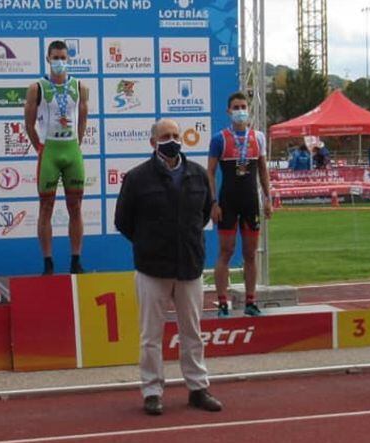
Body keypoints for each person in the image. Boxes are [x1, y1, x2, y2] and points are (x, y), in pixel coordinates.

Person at [114, 119, 222, 416]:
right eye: (165, 136)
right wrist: (151, 243)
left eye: (175, 135)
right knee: (150, 336)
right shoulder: (137, 179)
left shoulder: (198, 175)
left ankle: (198, 388)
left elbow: (202, 216)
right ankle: (152, 391)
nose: (171, 140)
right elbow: (124, 221)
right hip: (152, 268)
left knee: (193, 332)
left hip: (189, 266)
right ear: (153, 142)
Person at [25, 40, 90, 275]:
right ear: (48, 59)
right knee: (46, 207)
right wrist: (40, 148)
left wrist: (77, 144)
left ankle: (76, 260)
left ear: (69, 59)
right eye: (55, 58)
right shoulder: (37, 88)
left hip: (71, 150)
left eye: (63, 57)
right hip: (49, 151)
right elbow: (28, 124)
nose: (59, 62)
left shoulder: (80, 87)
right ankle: (48, 263)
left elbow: (83, 119)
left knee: (76, 207)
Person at [208, 92, 272, 317]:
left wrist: (268, 198)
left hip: (250, 203)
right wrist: (213, 203)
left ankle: (251, 301)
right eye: (235, 107)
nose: (240, 110)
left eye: (243, 106)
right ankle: (223, 302)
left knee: (250, 254)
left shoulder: (259, 137)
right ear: (228, 111)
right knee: (226, 251)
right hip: (227, 202)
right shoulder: (220, 139)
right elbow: (210, 172)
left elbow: (263, 169)